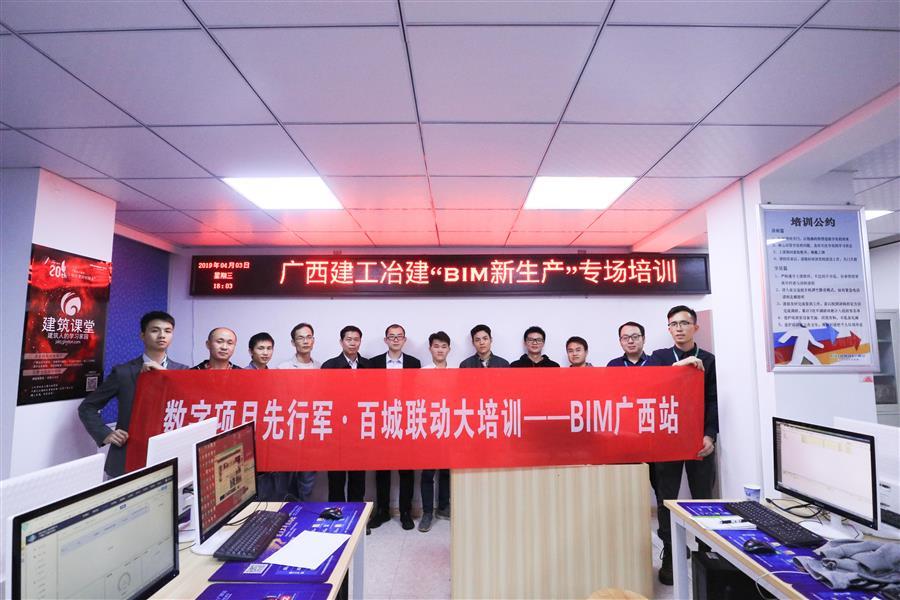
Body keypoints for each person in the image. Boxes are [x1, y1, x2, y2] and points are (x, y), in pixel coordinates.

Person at [646, 305, 718, 586]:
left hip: (699, 440)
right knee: (666, 499)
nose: (679, 328)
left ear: (695, 327)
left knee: (703, 499)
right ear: (669, 329)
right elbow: (651, 386)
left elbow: (713, 400)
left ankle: (706, 554)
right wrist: (680, 367)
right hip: (667, 439)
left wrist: (710, 435)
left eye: (684, 323)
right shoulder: (659, 357)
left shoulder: (709, 360)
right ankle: (670, 554)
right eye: (673, 324)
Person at [77, 311, 189, 477]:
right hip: (126, 456)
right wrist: (105, 433)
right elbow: (87, 407)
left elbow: (191, 405)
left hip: (169, 454)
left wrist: (166, 374)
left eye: (168, 331)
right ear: (142, 335)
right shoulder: (123, 372)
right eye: (155, 330)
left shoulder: (183, 371)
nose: (162, 335)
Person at [369, 324, 421, 531]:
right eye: (392, 336)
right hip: (382, 421)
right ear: (386, 340)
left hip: (406, 422)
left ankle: (405, 512)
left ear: (404, 340)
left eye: (399, 336)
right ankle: (382, 511)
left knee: (406, 469)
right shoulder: (373, 363)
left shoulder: (413, 363)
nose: (396, 339)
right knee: (382, 470)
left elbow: (417, 393)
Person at [264, 323, 319, 503]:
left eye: (309, 337)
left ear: (313, 340)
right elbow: (278, 401)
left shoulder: (321, 368)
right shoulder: (283, 368)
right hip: (289, 432)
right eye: (300, 338)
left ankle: (302, 512)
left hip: (312, 432)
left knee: (307, 481)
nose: (305, 341)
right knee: (285, 481)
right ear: (293, 342)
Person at [322, 325, 370, 503]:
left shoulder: (369, 366)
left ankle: (356, 513)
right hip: (337, 430)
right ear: (341, 342)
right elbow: (323, 398)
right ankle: (337, 514)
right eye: (348, 339)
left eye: (356, 339)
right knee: (336, 477)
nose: (352, 343)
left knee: (358, 477)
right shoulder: (329, 366)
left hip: (360, 428)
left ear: (360, 342)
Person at [419, 331, 452, 532]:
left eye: (444, 346)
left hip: (451, 427)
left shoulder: (456, 371)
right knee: (428, 472)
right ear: (430, 348)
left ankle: (443, 507)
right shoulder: (422, 372)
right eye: (436, 346)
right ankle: (427, 513)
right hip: (429, 428)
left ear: (449, 349)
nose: (440, 350)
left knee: (447, 470)